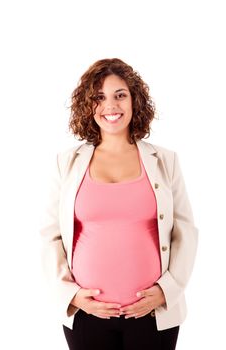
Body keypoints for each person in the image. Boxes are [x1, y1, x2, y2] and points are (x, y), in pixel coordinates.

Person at [40, 58, 198, 350]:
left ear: (134, 100)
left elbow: (186, 231)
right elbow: (49, 236)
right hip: (88, 316)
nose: (110, 106)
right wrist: (71, 295)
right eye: (99, 97)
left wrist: (167, 291)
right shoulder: (67, 163)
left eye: (120, 95)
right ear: (88, 106)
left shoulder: (164, 160)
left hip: (153, 315)